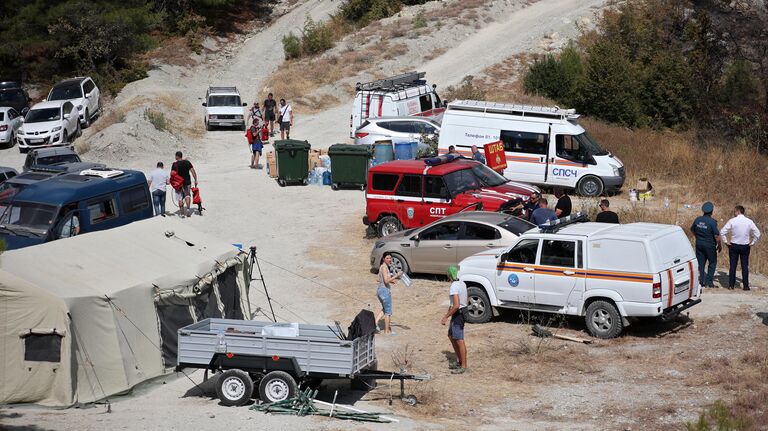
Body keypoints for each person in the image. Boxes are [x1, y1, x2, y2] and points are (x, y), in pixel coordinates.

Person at [720, 205, 761, 290]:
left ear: (738, 211)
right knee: (744, 266)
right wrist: (752, 242)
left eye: (734, 211)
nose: (734, 213)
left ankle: (731, 285)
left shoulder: (732, 221)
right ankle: (746, 286)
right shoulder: (749, 221)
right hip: (745, 246)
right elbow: (757, 233)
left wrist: (726, 242)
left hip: (734, 246)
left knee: (733, 266)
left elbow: (722, 232)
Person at [442, 266, 468, 374]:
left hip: (459, 313)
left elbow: (456, 305)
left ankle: (463, 366)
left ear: (449, 275)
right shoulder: (462, 283)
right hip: (461, 311)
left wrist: (446, 316)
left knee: (459, 340)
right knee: (451, 335)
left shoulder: (454, 286)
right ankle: (459, 361)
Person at [690, 202, 721, 288]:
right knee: (712, 263)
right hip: (710, 246)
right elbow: (716, 235)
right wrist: (719, 245)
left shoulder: (697, 219)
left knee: (701, 263)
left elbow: (692, 230)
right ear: (712, 211)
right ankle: (709, 282)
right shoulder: (712, 222)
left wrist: (698, 237)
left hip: (699, 244)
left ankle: (701, 281)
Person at [375, 253, 402, 335]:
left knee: (385, 308)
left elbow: (378, 279)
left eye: (390, 258)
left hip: (380, 291)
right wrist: (396, 275)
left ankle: (374, 323)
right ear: (383, 259)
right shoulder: (384, 267)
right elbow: (386, 281)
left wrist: (391, 280)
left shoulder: (382, 267)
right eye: (387, 258)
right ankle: (387, 331)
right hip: (384, 292)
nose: (389, 260)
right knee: (388, 312)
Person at [171, 151, 197, 218]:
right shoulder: (187, 162)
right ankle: (188, 209)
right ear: (181, 156)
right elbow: (193, 171)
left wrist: (173, 182)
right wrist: (195, 180)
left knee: (180, 198)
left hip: (178, 183)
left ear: (177, 156)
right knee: (187, 195)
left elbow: (172, 174)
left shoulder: (175, 164)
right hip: (187, 182)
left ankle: (182, 214)